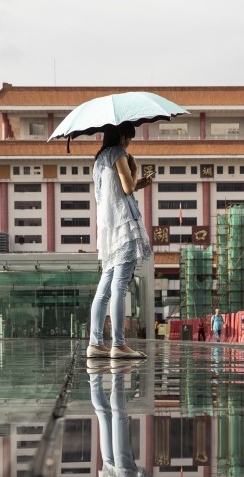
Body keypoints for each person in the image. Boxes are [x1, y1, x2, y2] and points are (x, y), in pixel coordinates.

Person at [86, 122, 152, 361]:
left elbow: (115, 189)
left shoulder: (99, 160)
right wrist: (134, 170)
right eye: (129, 139)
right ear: (123, 137)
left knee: (104, 288)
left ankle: (95, 342)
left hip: (107, 230)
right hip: (123, 225)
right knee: (119, 287)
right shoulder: (119, 154)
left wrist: (137, 183)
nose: (129, 144)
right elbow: (126, 188)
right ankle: (119, 344)